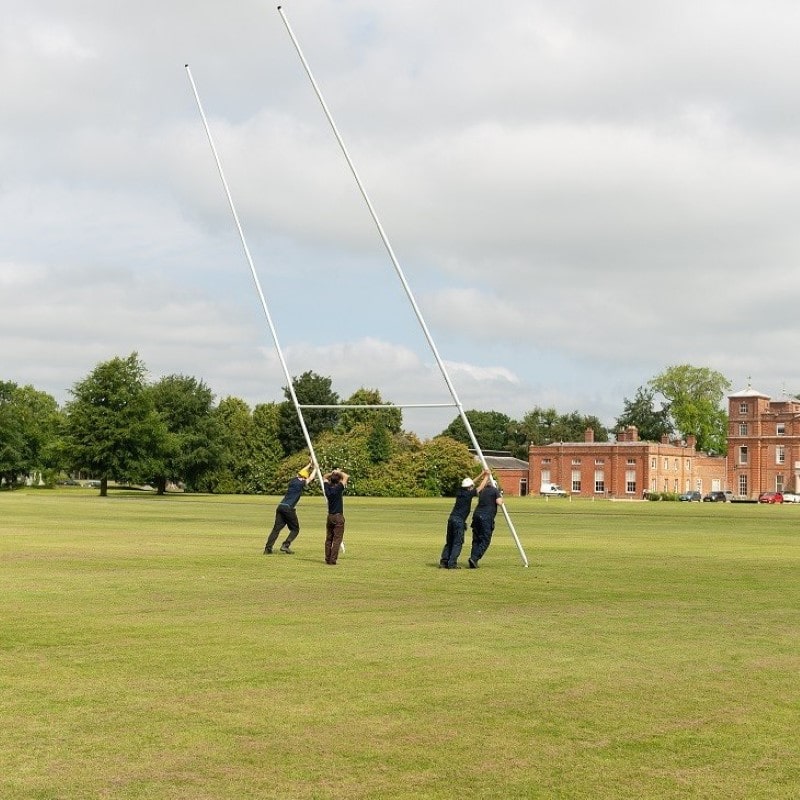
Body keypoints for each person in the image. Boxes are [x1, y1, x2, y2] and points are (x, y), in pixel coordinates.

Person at [439, 468, 490, 569]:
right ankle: (452, 563)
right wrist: (487, 476)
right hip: (459, 521)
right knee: (457, 542)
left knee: (449, 541)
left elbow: (472, 483)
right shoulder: (469, 494)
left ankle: (444, 562)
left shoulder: (460, 491)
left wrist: (481, 474)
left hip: (451, 519)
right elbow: (479, 488)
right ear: (469, 488)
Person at [264, 461, 315, 554]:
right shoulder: (301, 483)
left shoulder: (293, 480)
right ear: (304, 477)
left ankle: (268, 549)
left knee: (276, 529)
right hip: (288, 508)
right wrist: (316, 468)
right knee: (295, 529)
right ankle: (285, 545)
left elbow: (301, 472)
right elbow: (311, 478)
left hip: (281, 506)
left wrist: (309, 465)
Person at [468, 478, 504, 568]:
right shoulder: (495, 491)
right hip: (486, 518)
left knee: (476, 539)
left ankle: (473, 558)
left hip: (476, 516)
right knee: (485, 540)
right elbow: (499, 502)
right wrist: (501, 496)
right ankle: (474, 558)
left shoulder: (482, 491)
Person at [323, 468, 349, 565]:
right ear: (338, 480)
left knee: (329, 539)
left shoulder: (327, 488)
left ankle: (327, 558)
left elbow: (325, 477)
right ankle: (332, 560)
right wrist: (338, 472)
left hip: (330, 516)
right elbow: (346, 476)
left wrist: (332, 473)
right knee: (337, 539)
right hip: (338, 516)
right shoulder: (338, 488)